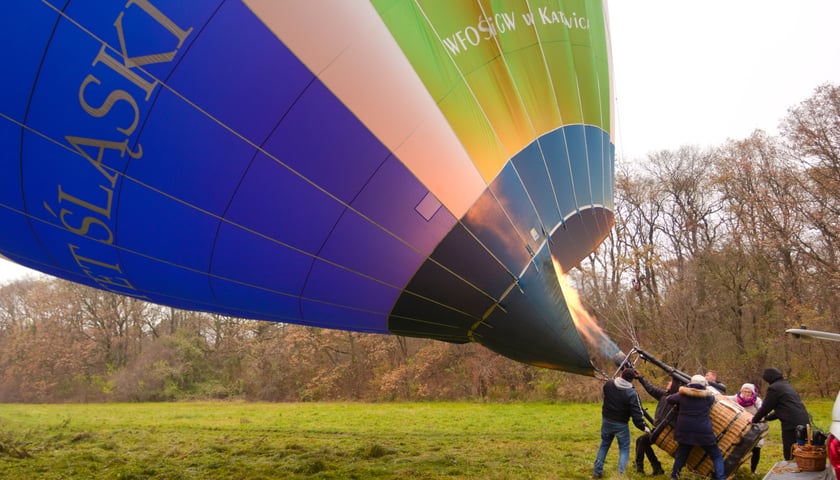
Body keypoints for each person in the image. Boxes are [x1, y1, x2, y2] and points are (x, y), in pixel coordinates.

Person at [666, 374, 726, 480]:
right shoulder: (708, 397)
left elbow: (669, 399)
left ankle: (674, 475)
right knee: (716, 455)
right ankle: (721, 478)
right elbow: (712, 401)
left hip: (685, 430)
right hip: (703, 430)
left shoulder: (682, 395)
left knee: (682, 454)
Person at [592, 368, 647, 479]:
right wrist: (644, 427)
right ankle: (621, 475)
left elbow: (611, 382)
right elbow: (637, 415)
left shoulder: (608, 384)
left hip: (607, 420)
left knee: (604, 445)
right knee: (624, 449)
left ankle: (597, 472)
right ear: (632, 379)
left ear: (621, 374)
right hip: (621, 424)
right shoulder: (632, 393)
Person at [751, 367, 810, 460]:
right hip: (803, 421)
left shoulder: (774, 388)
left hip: (791, 425)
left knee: (790, 451)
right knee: (803, 450)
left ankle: (790, 470)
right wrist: (766, 418)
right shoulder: (786, 386)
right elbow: (783, 409)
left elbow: (766, 407)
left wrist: (754, 420)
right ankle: (803, 468)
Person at [634, 374, 682, 475]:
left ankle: (641, 468)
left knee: (642, 441)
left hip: (666, 431)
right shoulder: (664, 394)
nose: (668, 383)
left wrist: (675, 376)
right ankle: (654, 467)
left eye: (671, 382)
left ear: (674, 386)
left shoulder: (676, 400)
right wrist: (641, 378)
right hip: (659, 429)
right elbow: (651, 388)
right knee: (641, 441)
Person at [726, 383, 764, 474]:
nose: (746, 393)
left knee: (756, 449)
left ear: (752, 393)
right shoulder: (736, 398)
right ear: (741, 391)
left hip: (755, 427)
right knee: (738, 449)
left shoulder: (757, 400)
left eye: (749, 392)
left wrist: (762, 417)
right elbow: (725, 398)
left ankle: (753, 470)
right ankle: (735, 470)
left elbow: (763, 409)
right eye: (744, 391)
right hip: (740, 427)